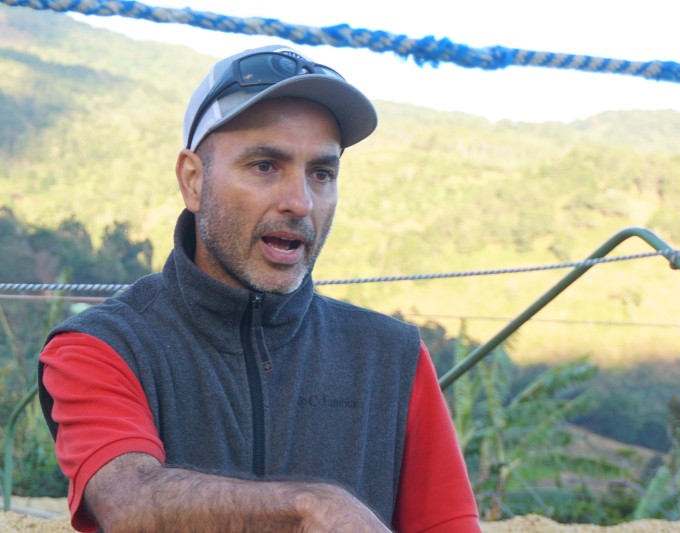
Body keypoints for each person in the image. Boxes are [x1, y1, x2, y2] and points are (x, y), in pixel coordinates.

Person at [37, 44, 481, 532]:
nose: (300, 202)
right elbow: (129, 502)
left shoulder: (392, 356)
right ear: (193, 181)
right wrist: (311, 506)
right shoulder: (101, 346)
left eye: (322, 173)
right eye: (265, 165)